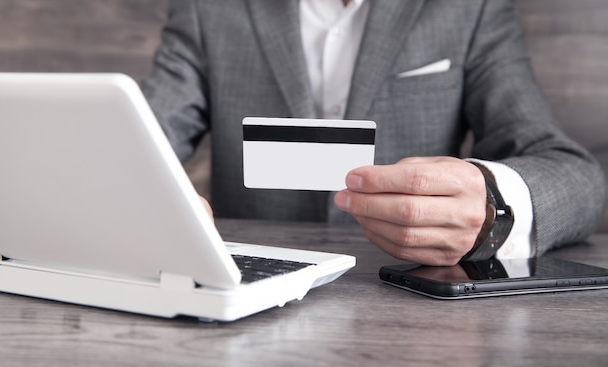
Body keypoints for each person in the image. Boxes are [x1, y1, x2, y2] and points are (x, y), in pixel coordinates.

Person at [142, 0, 607, 266]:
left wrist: (492, 207)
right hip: (247, 291)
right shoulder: (208, 9)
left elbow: (575, 176)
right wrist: (145, 197)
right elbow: (140, 141)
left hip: (411, 299)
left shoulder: (470, 9)